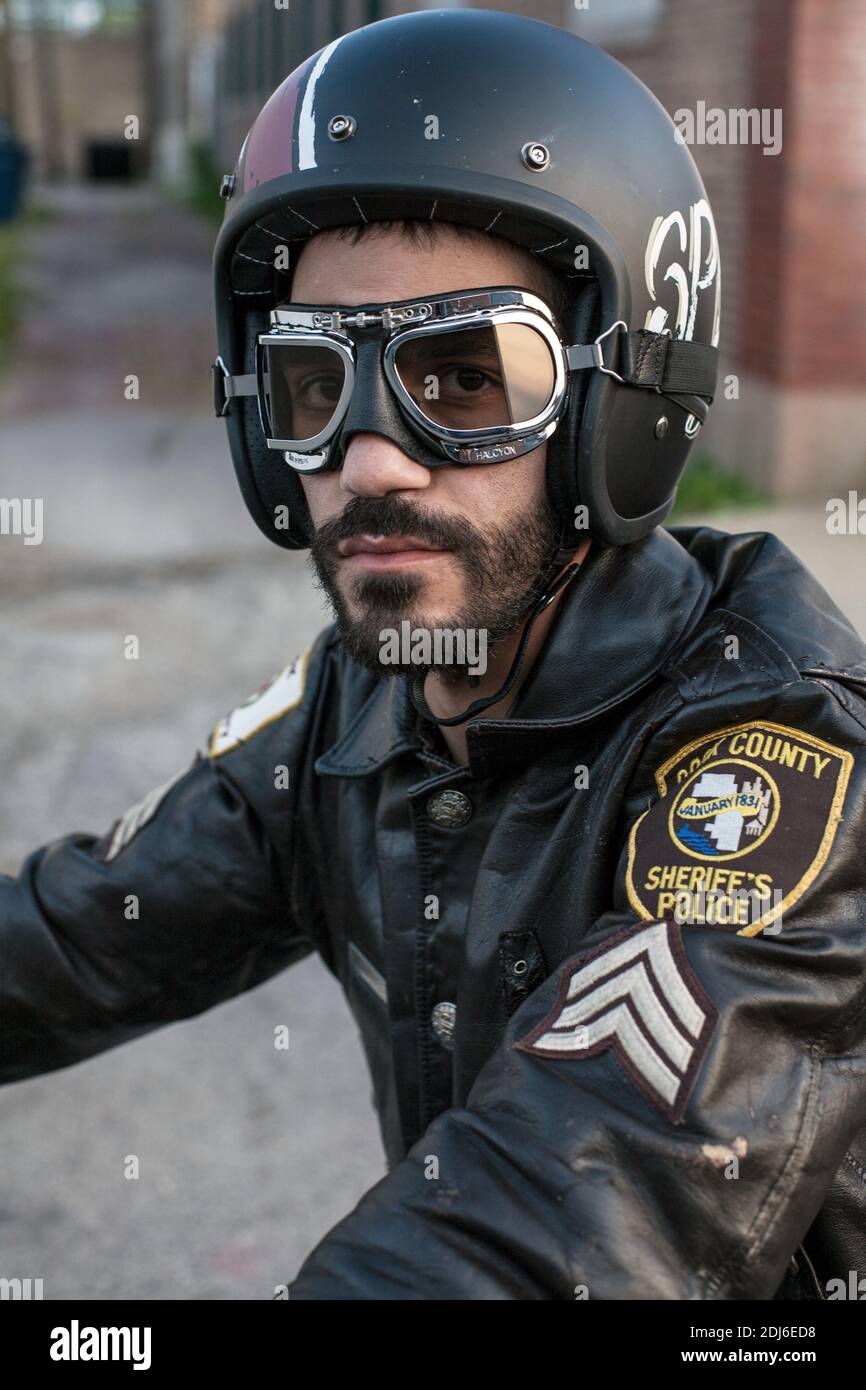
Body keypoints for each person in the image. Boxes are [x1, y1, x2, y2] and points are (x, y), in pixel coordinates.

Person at [4, 8, 866, 1300]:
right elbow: (72, 939)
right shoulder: (354, 710)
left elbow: (564, 1206)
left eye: (464, 376)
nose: (367, 460)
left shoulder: (774, 760)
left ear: (613, 406)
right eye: (311, 381)